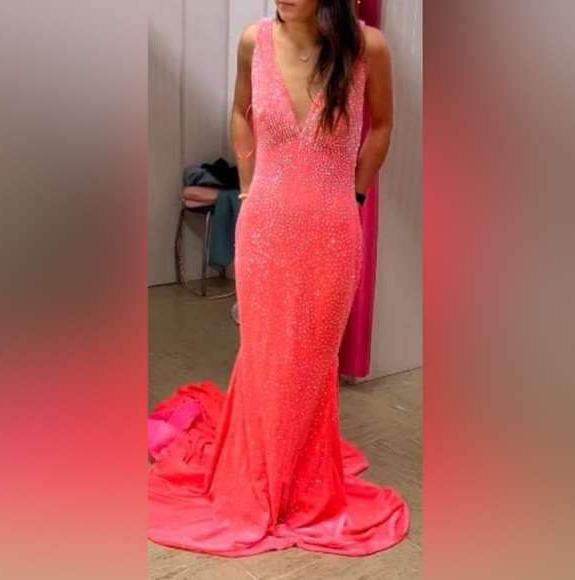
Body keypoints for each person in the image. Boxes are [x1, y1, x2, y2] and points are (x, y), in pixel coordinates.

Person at [148, 0, 409, 557]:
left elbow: (383, 124)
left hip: (332, 232)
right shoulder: (255, 40)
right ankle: (259, 478)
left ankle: (301, 484)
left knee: (312, 363)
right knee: (264, 357)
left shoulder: (367, 47)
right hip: (264, 229)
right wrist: (248, 188)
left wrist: (356, 193)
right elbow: (240, 112)